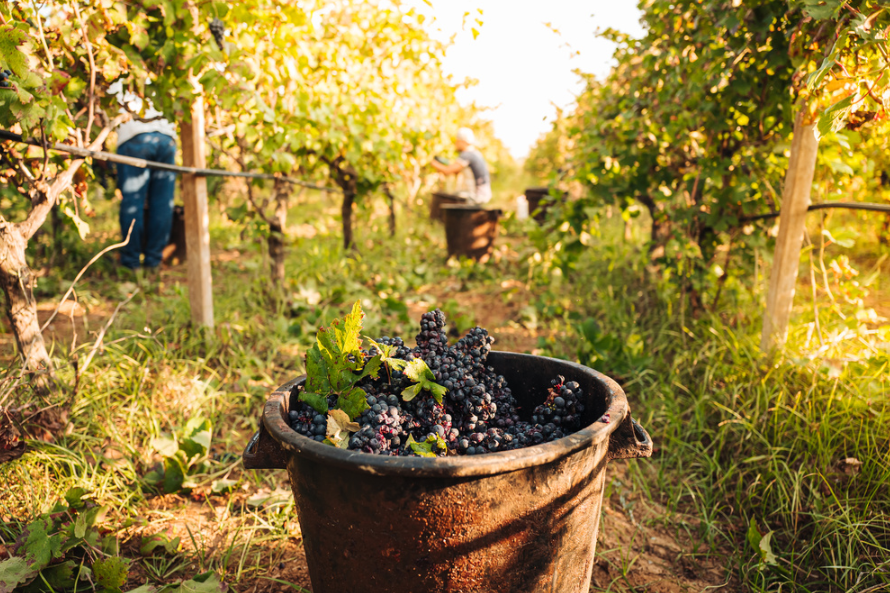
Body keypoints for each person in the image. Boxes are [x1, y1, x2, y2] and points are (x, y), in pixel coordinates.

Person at [114, 92, 178, 280]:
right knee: (163, 203)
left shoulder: (119, 68)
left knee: (133, 201)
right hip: (166, 137)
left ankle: (131, 264)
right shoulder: (159, 67)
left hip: (134, 135)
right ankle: (153, 263)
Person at [431, 127, 492, 204]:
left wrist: (433, 163)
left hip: (477, 195)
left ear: (463, 141)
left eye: (457, 141)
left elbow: (448, 171)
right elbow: (455, 171)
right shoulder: (476, 153)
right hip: (483, 193)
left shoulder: (467, 154)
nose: (455, 144)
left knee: (449, 200)